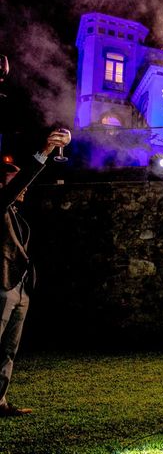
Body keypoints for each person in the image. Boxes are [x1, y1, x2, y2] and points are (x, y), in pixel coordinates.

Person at [0, 128, 71, 417]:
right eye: (14, 181)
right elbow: (17, 184)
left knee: (8, 350)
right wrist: (45, 151)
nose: (24, 188)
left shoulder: (17, 214)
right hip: (1, 286)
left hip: (20, 287)